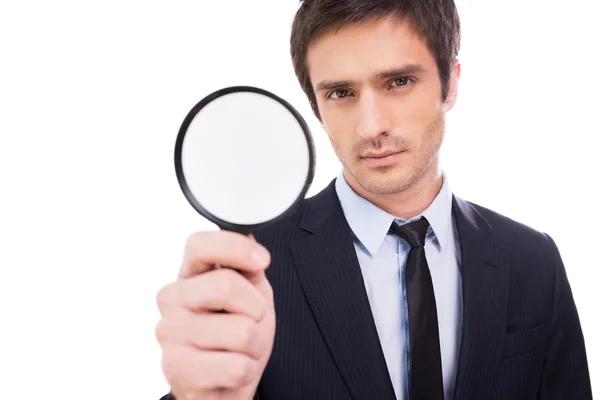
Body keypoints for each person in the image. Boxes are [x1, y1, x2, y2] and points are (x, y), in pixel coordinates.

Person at [155, 0, 593, 399]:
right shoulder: (252, 267)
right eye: (340, 93)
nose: (370, 127)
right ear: (316, 107)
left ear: (450, 84)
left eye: (399, 81)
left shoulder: (533, 260)